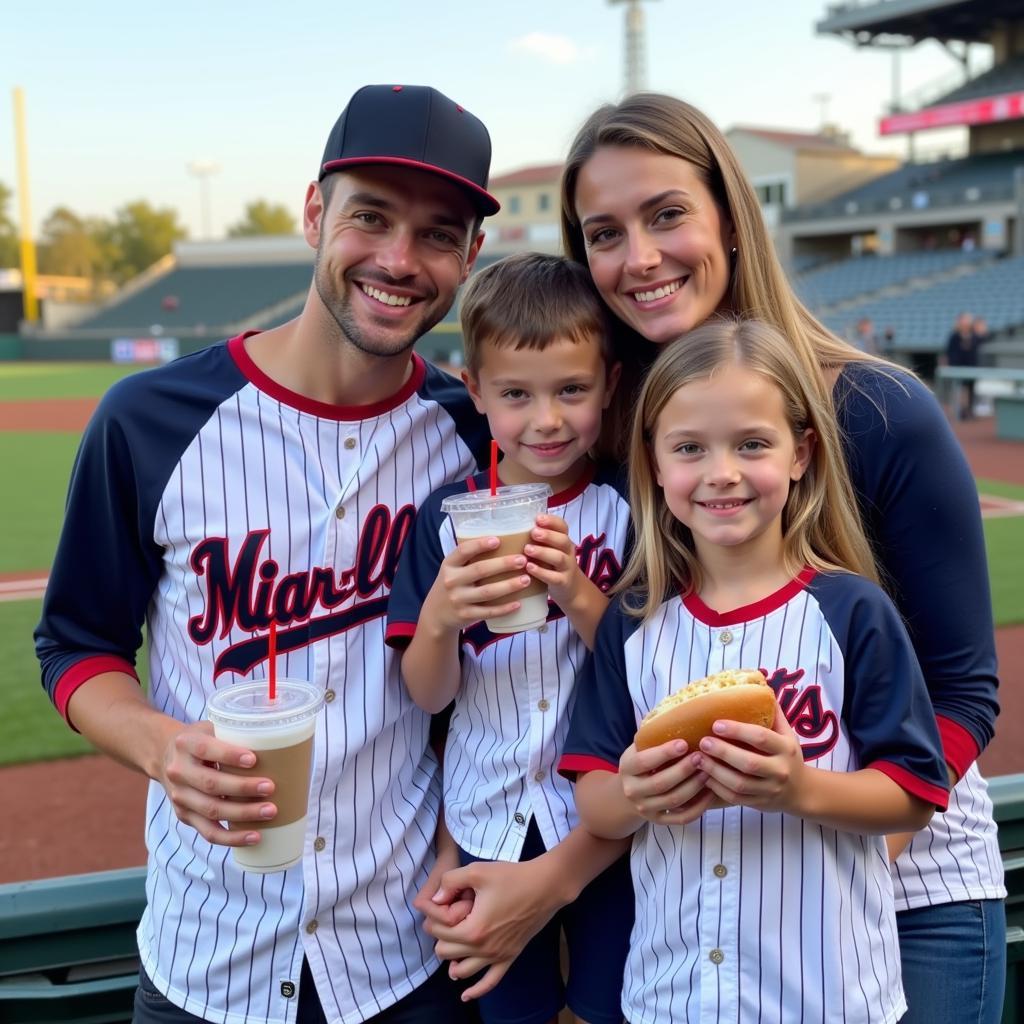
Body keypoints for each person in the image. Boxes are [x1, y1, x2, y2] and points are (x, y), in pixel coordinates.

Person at [34, 83, 500, 1024]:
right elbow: (75, 647)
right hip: (209, 957)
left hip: (405, 960)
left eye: (439, 233)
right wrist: (165, 748)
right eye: (370, 216)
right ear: (315, 212)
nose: (399, 260)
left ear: (471, 256)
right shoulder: (150, 421)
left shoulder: (475, 433)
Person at [553, 92, 1004, 1024]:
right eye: (604, 233)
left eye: (667, 213)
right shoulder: (626, 432)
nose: (638, 257)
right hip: (723, 914)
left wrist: (845, 824)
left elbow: (964, 690)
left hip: (908, 886)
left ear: (729, 211)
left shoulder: (878, 409)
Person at [560, 317, 949, 1023]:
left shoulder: (852, 611)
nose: (721, 472)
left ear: (800, 453)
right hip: (670, 995)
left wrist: (798, 786)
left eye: (751, 443)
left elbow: (913, 792)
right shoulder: (633, 621)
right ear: (654, 463)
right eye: (689, 448)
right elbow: (594, 799)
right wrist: (635, 791)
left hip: (826, 994)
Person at [386, 252, 633, 1024]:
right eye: (517, 395)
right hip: (488, 816)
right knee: (509, 1012)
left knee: (611, 1005)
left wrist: (580, 595)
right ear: (478, 394)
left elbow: (655, 673)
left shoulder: (634, 510)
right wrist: (442, 615)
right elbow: (429, 692)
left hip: (605, 819)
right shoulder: (447, 518)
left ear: (609, 386)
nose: (547, 419)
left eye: (571, 390)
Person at [945, 310, 980, 419]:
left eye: (967, 320)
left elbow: (976, 350)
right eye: (964, 320)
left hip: (971, 368)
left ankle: (969, 410)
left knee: (971, 390)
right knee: (959, 390)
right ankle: (959, 411)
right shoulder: (954, 336)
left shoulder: (974, 336)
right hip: (957, 369)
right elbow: (950, 352)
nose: (966, 322)